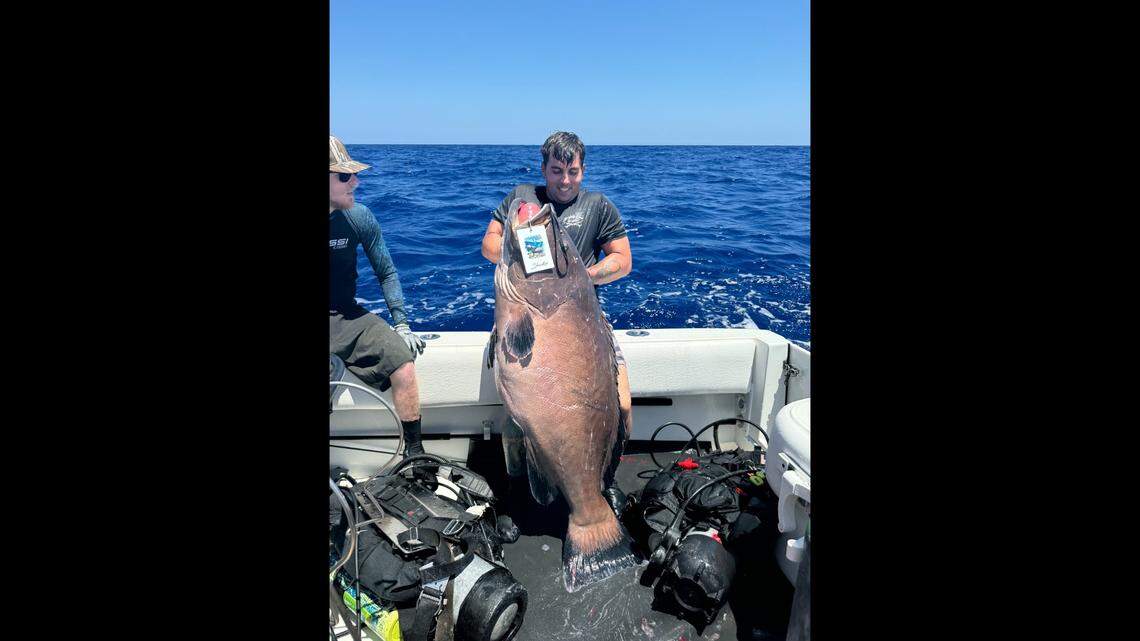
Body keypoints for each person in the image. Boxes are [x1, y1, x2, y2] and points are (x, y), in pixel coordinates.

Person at [480, 131, 634, 509]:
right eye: (557, 170)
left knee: (624, 403)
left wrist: (580, 277)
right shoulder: (521, 199)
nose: (565, 180)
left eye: (573, 171)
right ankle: (518, 494)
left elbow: (623, 261)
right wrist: (516, 250)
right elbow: (488, 245)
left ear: (583, 170)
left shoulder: (599, 206)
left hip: (584, 322)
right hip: (524, 317)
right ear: (544, 168)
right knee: (518, 418)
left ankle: (604, 479)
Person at [329, 134, 428, 456]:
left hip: (346, 316)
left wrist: (401, 324)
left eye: (354, 174)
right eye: (344, 175)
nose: (355, 182)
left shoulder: (359, 217)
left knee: (403, 362)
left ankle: (414, 452)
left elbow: (386, 271)